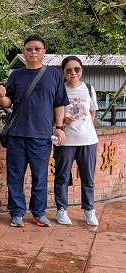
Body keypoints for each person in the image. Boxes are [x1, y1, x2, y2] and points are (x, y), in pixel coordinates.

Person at [0, 35, 69, 227]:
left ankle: (38, 212)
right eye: (29, 49)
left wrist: (59, 128)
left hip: (42, 136)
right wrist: (1, 95)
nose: (33, 52)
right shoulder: (16, 75)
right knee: (15, 176)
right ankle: (17, 212)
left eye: (37, 48)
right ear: (23, 53)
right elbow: (8, 103)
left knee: (40, 177)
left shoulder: (53, 74)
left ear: (44, 52)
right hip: (17, 135)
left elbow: (59, 103)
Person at [54, 56, 99, 226]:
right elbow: (54, 114)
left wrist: (85, 126)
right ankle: (61, 210)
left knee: (88, 177)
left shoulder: (89, 89)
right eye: (69, 70)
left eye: (77, 69)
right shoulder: (60, 90)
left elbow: (92, 112)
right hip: (65, 140)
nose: (73, 73)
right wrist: (63, 121)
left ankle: (89, 210)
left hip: (88, 139)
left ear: (82, 70)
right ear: (63, 72)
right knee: (62, 176)